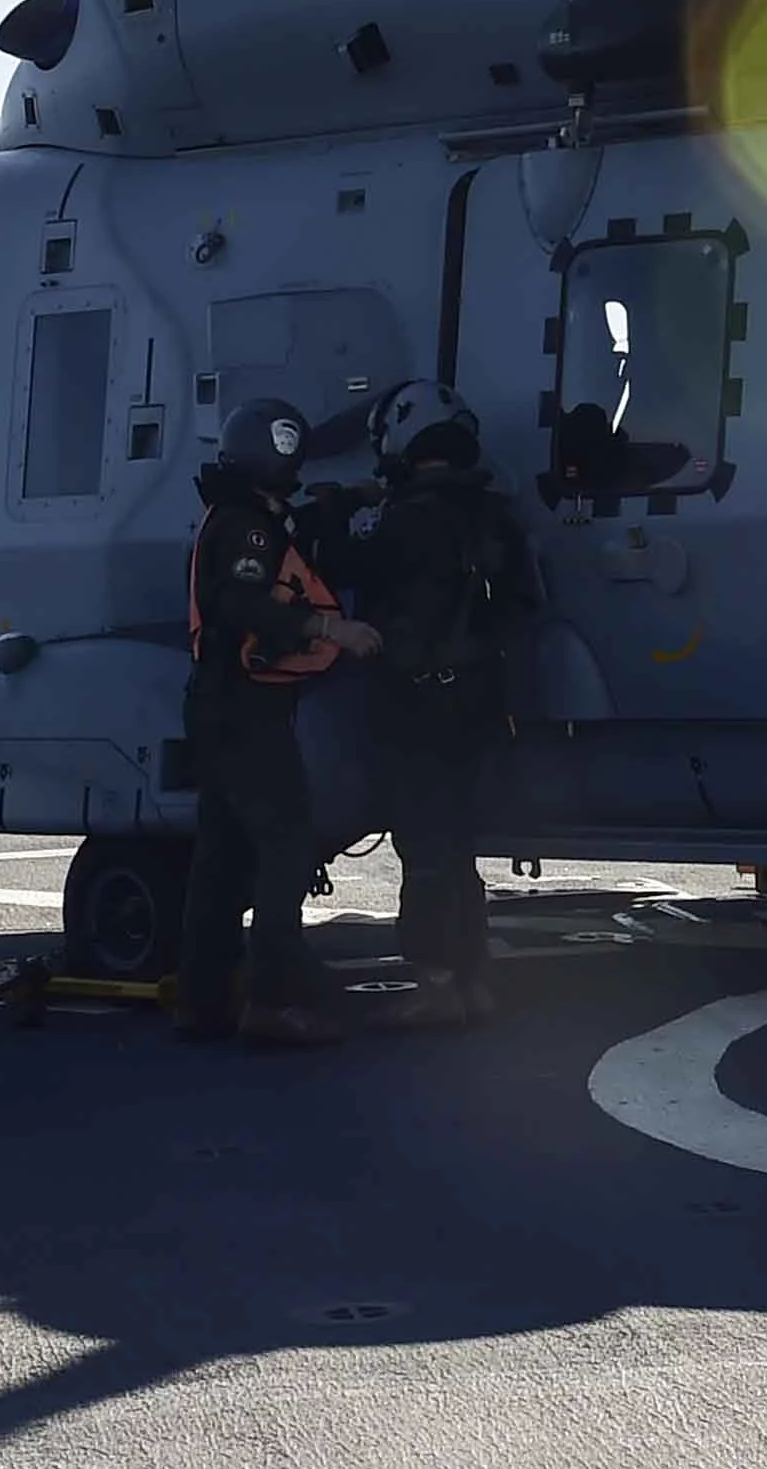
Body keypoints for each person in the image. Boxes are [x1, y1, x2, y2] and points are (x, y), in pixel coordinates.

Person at [180, 395, 374, 1048]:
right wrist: (329, 627)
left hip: (220, 707)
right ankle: (270, 998)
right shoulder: (250, 530)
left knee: (221, 857)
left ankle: (203, 1003)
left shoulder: (242, 519)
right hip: (246, 708)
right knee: (285, 847)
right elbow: (241, 600)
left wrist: (337, 508)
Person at [337, 383, 532, 1023]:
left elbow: (349, 573)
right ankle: (474, 982)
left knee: (424, 848)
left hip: (417, 704)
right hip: (483, 700)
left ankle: (435, 982)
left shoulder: (401, 521)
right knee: (461, 847)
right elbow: (525, 605)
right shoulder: (496, 516)